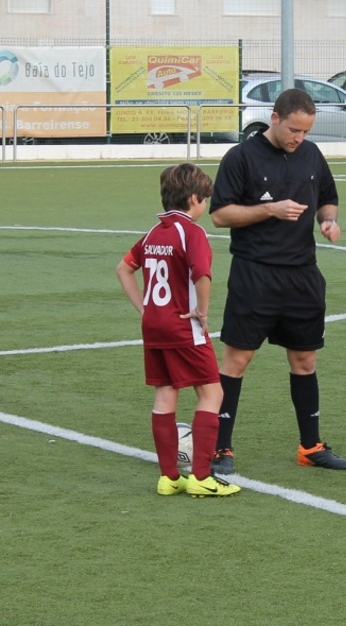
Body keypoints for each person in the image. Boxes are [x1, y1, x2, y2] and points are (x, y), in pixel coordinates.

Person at [209, 87, 346, 474]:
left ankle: (311, 446)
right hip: (255, 273)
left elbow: (328, 196)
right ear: (274, 118)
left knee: (305, 360)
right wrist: (269, 209)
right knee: (237, 361)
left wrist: (328, 220)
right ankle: (220, 448)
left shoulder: (311, 154)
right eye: (293, 130)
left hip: (302, 274)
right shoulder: (241, 157)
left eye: (305, 132)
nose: (298, 138)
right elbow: (220, 215)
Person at [116, 163, 240, 498]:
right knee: (212, 393)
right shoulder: (192, 233)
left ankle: (169, 477)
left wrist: (145, 308)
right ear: (195, 199)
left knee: (165, 394)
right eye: (205, 200)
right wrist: (202, 311)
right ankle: (201, 476)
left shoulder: (153, 233)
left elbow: (123, 269)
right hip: (184, 325)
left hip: (154, 327)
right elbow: (202, 274)